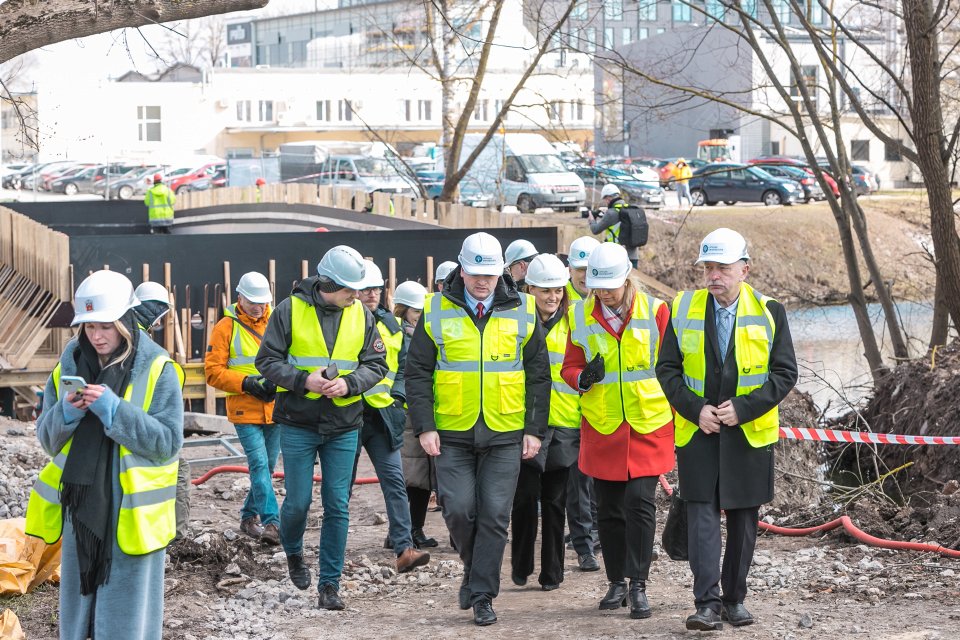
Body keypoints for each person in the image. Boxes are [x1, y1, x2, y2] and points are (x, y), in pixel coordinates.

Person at [26, 270, 184, 640]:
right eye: (89, 327)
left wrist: (114, 410)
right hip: (81, 513)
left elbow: (167, 443)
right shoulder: (70, 362)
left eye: (106, 327)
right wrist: (68, 412)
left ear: (126, 322)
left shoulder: (157, 368)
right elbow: (48, 440)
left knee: (127, 621)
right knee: (81, 615)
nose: (96, 336)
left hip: (132, 515)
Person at [405, 232, 551, 626]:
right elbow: (417, 373)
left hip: (505, 431)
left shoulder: (522, 307)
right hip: (451, 431)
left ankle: (483, 594)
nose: (482, 282)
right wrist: (425, 426)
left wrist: (535, 429)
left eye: (488, 274)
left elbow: (539, 374)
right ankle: (474, 572)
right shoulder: (435, 309)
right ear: (461, 269)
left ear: (500, 271)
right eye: (474, 274)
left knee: (494, 516)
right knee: (459, 511)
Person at [656, 228, 798, 631]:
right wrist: (694, 408)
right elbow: (666, 369)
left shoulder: (770, 310)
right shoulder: (683, 308)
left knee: (742, 521)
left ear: (744, 269)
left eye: (722, 268)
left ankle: (734, 599)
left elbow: (785, 373)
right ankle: (706, 603)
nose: (714, 275)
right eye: (708, 268)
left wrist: (744, 409)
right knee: (701, 516)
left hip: (748, 435)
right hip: (698, 432)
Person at [256, 245, 389, 611]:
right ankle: (294, 552)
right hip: (298, 422)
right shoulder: (289, 310)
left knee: (338, 505)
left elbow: (377, 363)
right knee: (297, 503)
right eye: (350, 290)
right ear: (328, 284)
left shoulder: (361, 314)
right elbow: (266, 360)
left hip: (344, 424)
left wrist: (350, 383)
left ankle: (330, 584)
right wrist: (303, 380)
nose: (357, 296)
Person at [561, 243, 675, 620]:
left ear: (627, 277)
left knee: (640, 504)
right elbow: (569, 367)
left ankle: (639, 585)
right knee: (608, 510)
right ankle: (616, 583)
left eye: (611, 285)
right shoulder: (579, 315)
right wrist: (583, 378)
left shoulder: (656, 311)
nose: (605, 292)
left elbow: (672, 366)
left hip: (647, 424)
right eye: (599, 286)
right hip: (603, 425)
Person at [353, 261, 431, 572]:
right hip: (348, 415)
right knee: (340, 486)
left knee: (395, 481)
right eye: (365, 289)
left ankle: (404, 547)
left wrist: (397, 397)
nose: (371, 294)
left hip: (383, 415)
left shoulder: (391, 325)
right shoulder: (344, 322)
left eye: (375, 289)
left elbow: (404, 365)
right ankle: (330, 550)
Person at [510, 254, 582, 592]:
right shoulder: (515, 319)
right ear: (530, 289)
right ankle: (521, 563)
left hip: (565, 422)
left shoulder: (575, 322)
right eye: (545, 291)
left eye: (557, 291)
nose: (552, 297)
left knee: (555, 502)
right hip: (527, 424)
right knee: (524, 498)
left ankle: (552, 572)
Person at [205, 271, 281, 546]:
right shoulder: (226, 327)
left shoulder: (277, 320)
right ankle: (273, 522)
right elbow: (213, 372)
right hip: (244, 408)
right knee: (259, 464)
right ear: (240, 298)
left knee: (268, 466)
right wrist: (246, 383)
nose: (259, 308)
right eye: (254, 303)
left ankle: (248, 517)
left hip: (275, 408)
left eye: (263, 302)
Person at [132, 281, 191, 541]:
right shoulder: (142, 344)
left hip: (133, 423)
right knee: (178, 469)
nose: (160, 321)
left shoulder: (126, 334)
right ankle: (176, 536)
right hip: (144, 425)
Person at [563, 235, 602, 572]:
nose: (585, 276)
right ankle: (584, 544)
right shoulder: (561, 304)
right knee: (577, 484)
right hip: (564, 409)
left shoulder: (608, 301)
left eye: (590, 269)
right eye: (580, 270)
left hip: (602, 410)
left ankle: (595, 532)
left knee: (596, 480)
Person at [393, 280, 439, 549]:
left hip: (429, 410)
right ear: (402, 311)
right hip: (408, 414)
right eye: (416, 313)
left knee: (425, 477)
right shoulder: (398, 337)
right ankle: (403, 530)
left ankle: (416, 529)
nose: (421, 318)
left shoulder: (430, 335)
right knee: (412, 475)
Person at [588, 184, 641, 268]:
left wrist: (591, 220)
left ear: (608, 198)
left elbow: (595, 230)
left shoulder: (611, 213)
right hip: (633, 256)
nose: (606, 202)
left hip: (617, 257)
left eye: (605, 199)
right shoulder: (629, 209)